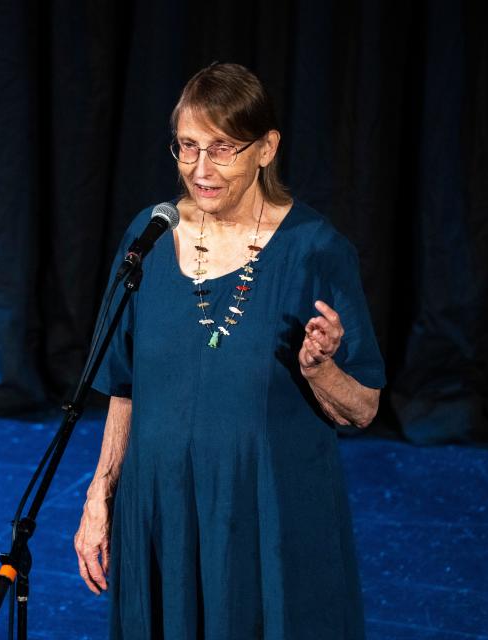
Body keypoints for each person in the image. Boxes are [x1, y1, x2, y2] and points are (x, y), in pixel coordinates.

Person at [73, 62, 385, 639]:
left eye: (222, 149)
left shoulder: (315, 250)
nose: (200, 169)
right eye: (187, 147)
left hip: (265, 516)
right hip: (161, 511)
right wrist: (100, 496)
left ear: (267, 148)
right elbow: (123, 385)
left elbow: (363, 407)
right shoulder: (149, 237)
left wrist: (321, 371)